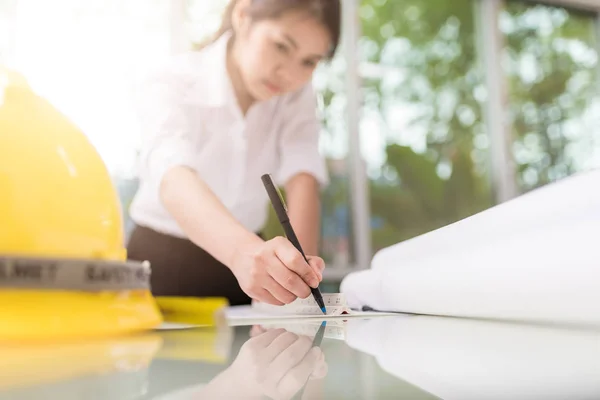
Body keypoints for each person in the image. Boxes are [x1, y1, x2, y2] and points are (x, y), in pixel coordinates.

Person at [126, 0, 341, 306]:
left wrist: (300, 287)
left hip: (249, 271)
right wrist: (242, 252)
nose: (289, 74)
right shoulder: (172, 79)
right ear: (243, 15)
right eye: (281, 46)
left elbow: (303, 174)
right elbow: (172, 175)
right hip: (162, 261)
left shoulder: (295, 95)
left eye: (309, 62)